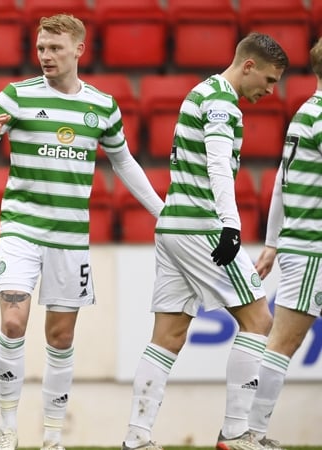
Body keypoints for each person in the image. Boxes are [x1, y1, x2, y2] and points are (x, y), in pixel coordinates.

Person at [0, 14, 165, 450]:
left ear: (78, 50)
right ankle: (8, 430)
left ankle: (52, 437)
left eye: (55, 48)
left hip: (70, 237)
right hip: (21, 229)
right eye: (40, 48)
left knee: (61, 336)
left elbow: (123, 161)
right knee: (13, 322)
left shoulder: (102, 106)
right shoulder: (16, 96)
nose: (46, 56)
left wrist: (160, 211)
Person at [120, 33, 289, 450]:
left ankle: (136, 438)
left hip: (173, 228)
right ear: (248, 65)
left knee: (168, 335)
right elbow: (216, 163)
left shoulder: (201, 92)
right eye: (268, 79)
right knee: (259, 321)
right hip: (202, 228)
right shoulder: (220, 102)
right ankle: (235, 434)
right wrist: (231, 225)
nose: (270, 91)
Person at [247, 37, 322, 450]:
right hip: (313, 247)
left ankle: (245, 431)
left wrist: (274, 240)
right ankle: (247, 432)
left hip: (300, 242)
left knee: (281, 341)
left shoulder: (304, 113)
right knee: (282, 342)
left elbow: (280, 180)